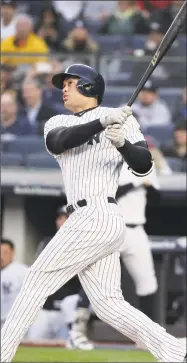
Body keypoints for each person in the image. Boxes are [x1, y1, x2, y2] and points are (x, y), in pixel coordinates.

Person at [1, 64, 186, 363]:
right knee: (108, 303)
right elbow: (58, 141)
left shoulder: (122, 120)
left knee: (35, 279)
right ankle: (177, 353)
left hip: (100, 213)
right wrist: (102, 122)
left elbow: (144, 166)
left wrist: (122, 143)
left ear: (89, 87)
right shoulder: (59, 120)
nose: (64, 88)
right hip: (83, 216)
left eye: (71, 83)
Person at [28, 205, 93, 349]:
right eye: (60, 218)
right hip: (45, 308)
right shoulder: (47, 242)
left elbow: (80, 274)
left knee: (68, 348)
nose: (63, 221)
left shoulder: (84, 245)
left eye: (67, 218)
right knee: (32, 345)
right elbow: (40, 271)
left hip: (68, 309)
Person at [116, 166, 159, 322]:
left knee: (148, 283)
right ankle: (78, 328)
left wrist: (149, 186)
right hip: (114, 228)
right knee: (98, 280)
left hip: (138, 230)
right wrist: (136, 182)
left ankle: (151, 335)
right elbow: (111, 194)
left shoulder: (146, 166)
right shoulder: (111, 163)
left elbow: (156, 200)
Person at [1, 238, 28, 328]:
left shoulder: (23, 271)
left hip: (16, 323)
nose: (1, 256)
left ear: (12, 252)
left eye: (5, 252)